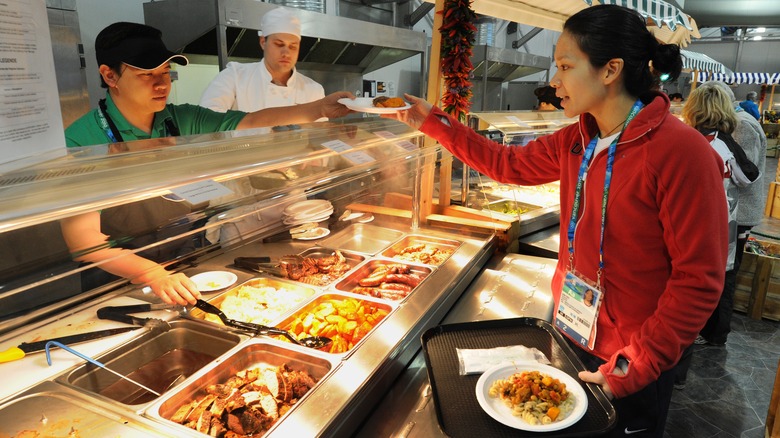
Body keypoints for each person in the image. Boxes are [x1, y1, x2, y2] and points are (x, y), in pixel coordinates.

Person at [388, 5, 728, 436]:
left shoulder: (682, 152)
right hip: (569, 334)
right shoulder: (577, 137)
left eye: (566, 66)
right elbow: (507, 164)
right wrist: (432, 122)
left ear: (611, 70)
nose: (554, 80)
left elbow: (698, 280)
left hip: (630, 357)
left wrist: (631, 367)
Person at [61, 22, 354, 306]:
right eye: (147, 74)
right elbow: (85, 243)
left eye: (166, 72)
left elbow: (249, 121)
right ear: (110, 76)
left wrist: (318, 108)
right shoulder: (82, 139)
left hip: (182, 257)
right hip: (118, 276)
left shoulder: (181, 118)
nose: (162, 84)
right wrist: (150, 273)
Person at [697, 80, 767, 346]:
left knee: (726, 272)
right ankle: (712, 329)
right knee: (722, 271)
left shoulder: (743, 126)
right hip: (731, 211)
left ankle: (716, 334)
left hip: (739, 213)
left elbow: (746, 174)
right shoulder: (734, 125)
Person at [199, 7, 325, 123]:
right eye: (279, 44)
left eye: (293, 46)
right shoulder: (235, 76)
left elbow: (321, 138)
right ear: (263, 42)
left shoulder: (314, 89)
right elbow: (206, 120)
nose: (286, 53)